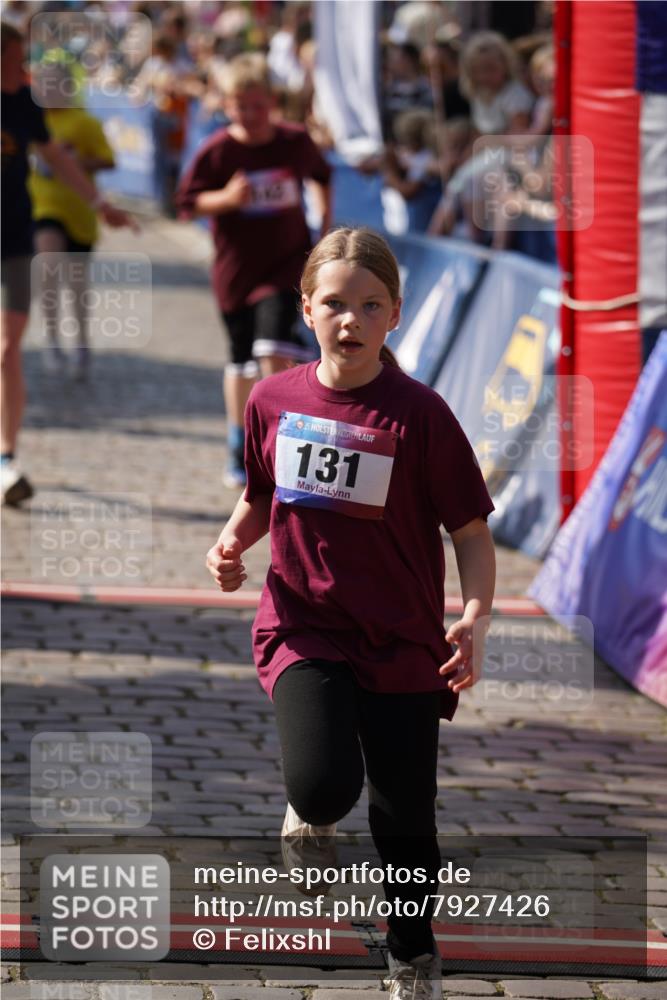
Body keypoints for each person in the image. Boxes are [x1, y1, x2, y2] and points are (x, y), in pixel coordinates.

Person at [205, 227, 496, 999]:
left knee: (407, 821)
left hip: (402, 640)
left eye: (369, 306)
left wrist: (474, 614)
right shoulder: (272, 400)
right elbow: (261, 496)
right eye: (334, 304)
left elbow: (469, 530)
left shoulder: (421, 416)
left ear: (394, 315)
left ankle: (411, 954)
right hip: (305, 624)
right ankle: (311, 813)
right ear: (306, 309)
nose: (350, 320)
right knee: (326, 784)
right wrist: (231, 544)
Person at [177, 52, 332, 488]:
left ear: (273, 103)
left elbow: (322, 174)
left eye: (259, 105)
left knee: (272, 346)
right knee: (242, 361)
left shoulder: (294, 141)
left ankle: (284, 443)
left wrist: (323, 224)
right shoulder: (218, 150)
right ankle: (237, 440)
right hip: (235, 269)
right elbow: (187, 203)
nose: (251, 115)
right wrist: (226, 199)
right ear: (228, 106)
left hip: (286, 265)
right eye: (242, 106)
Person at [1, 21, 135, 506]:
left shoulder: (24, 105)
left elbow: (58, 158)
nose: (27, 70)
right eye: (18, 61)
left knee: (6, 349)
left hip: (16, 234)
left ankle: (6, 456)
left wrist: (102, 205)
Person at [29, 59, 116, 380]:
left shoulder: (84, 123)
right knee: (48, 263)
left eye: (55, 84)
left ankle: (80, 340)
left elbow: (109, 160)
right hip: (43, 205)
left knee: (77, 283)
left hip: (80, 211)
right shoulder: (32, 121)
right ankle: (52, 338)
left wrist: (80, 160)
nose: (49, 90)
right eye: (43, 84)